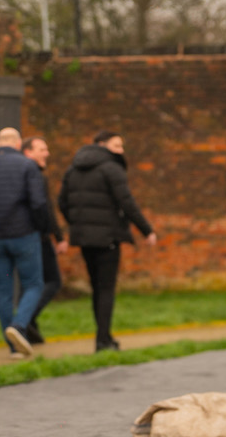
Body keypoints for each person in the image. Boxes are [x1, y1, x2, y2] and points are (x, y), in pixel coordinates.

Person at [58, 131, 157, 353]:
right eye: (117, 145)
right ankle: (103, 340)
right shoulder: (112, 168)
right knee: (106, 288)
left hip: (84, 238)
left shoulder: (73, 168)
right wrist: (146, 230)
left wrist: (78, 224)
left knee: (96, 287)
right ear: (103, 145)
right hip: (108, 238)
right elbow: (127, 201)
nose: (121, 150)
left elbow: (62, 202)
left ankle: (104, 336)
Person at [0, 127, 48, 358]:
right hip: (24, 238)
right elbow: (38, 203)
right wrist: (41, 228)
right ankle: (19, 325)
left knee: (4, 291)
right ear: (17, 143)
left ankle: (14, 347)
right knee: (33, 284)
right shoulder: (27, 166)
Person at [21, 135, 69, 344]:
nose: (47, 153)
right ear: (28, 152)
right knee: (52, 281)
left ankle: (31, 329)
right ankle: (26, 319)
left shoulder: (20, 173)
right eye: (42, 149)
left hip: (22, 237)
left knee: (29, 283)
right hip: (38, 237)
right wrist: (57, 236)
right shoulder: (35, 175)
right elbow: (46, 208)